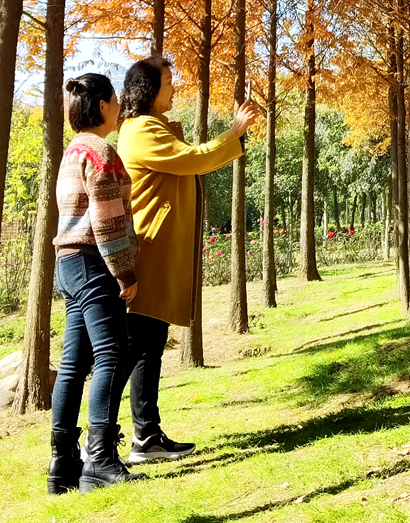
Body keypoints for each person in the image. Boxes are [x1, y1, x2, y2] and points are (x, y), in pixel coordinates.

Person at [115, 52, 258, 463]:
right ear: (149, 90)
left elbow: (188, 157)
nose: (173, 87)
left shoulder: (151, 126)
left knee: (147, 346)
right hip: (148, 252)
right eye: (167, 82)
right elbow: (193, 159)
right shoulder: (142, 129)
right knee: (134, 349)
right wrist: (234, 133)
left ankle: (146, 437)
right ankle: (102, 443)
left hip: (155, 252)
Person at [48, 71, 140, 493]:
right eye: (116, 101)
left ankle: (61, 463)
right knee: (113, 354)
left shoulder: (72, 151)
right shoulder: (101, 151)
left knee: (73, 364)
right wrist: (124, 271)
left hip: (68, 261)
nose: (120, 107)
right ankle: (99, 457)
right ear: (102, 106)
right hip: (93, 260)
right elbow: (106, 219)